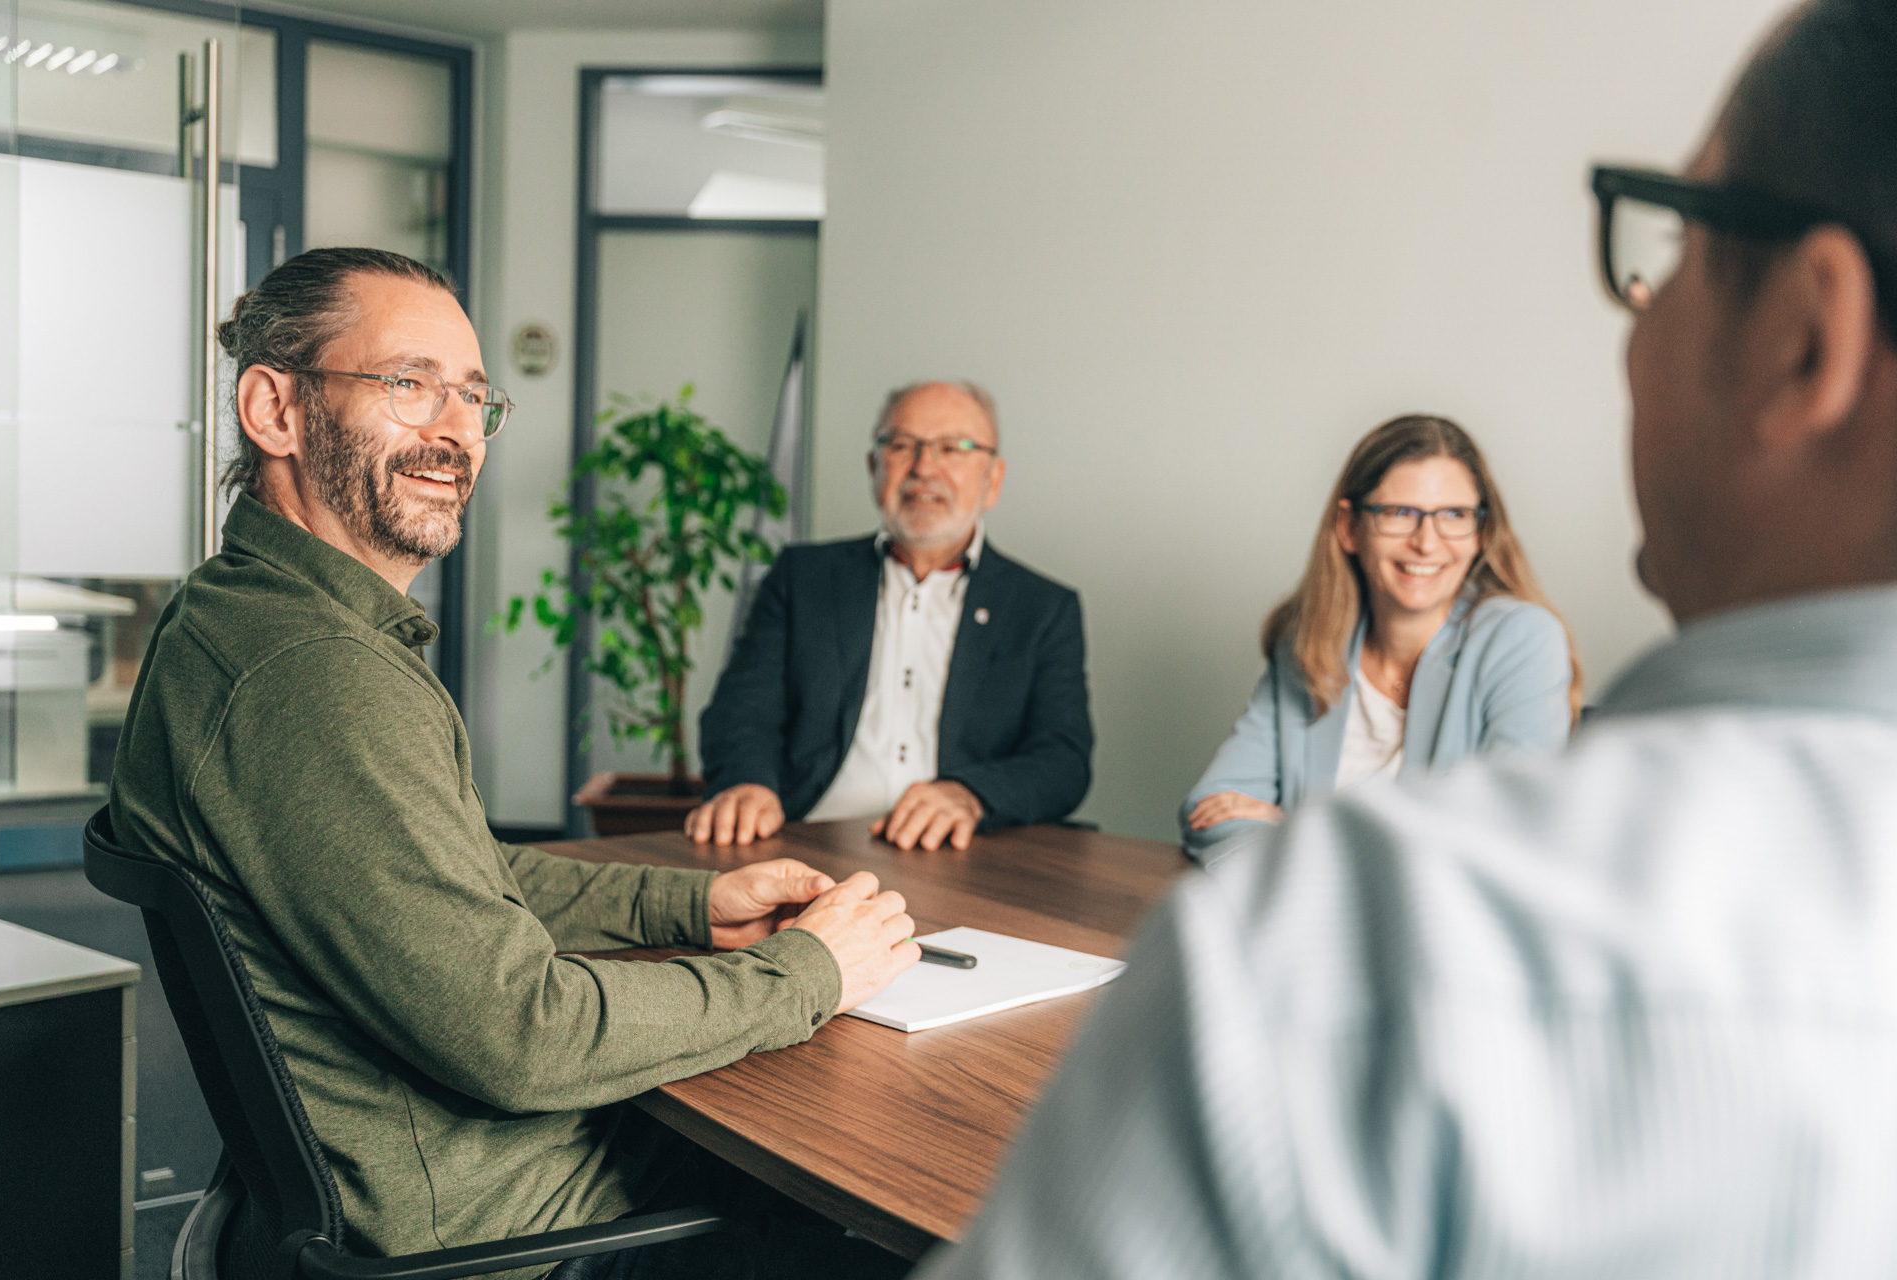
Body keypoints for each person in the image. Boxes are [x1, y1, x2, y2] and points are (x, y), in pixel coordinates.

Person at [917, 0, 1897, 1275]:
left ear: (1805, 337)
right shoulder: (1312, 670)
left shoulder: (1343, 958)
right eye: (1402, 513)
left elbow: (1280, 826)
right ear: (1350, 529)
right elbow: (1213, 800)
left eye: (1670, 246)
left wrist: (1286, 860)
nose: (1639, 312)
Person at [109, 247, 919, 1279]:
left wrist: (691, 909)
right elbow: (522, 1032)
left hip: (452, 1186)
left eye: (474, 398)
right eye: (408, 383)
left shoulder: (238, 615)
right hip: (517, 1236)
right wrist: (809, 971)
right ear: (274, 408)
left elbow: (460, 876)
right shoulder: (314, 675)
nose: (454, 431)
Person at [689, 381, 1093, 852]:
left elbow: (1063, 761)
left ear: (993, 479)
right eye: (901, 445)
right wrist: (747, 783)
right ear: (873, 466)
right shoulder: (803, 578)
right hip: (806, 841)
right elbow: (741, 711)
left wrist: (971, 795)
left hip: (961, 855)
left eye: (953, 448)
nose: (924, 467)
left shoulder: (1041, 608)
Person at [1181, 415, 1579, 864]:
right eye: (1399, 513)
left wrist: (1296, 831)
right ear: (1350, 528)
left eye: (1454, 515)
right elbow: (1211, 812)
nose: (1427, 543)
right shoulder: (1308, 642)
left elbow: (1504, 841)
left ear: (1481, 534)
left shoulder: (1521, 639)